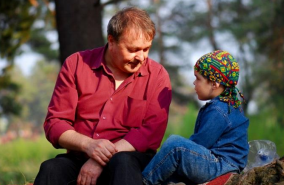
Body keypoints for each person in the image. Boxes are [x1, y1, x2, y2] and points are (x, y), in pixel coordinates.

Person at [34, 7, 172, 185]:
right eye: (133, 49)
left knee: (123, 163)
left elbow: (151, 132)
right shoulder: (75, 64)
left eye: (146, 49)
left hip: (131, 160)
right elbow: (55, 123)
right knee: (51, 169)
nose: (141, 57)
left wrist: (100, 158)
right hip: (80, 157)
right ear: (111, 41)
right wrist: (89, 145)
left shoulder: (158, 76)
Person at [142, 50, 249, 185]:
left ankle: (143, 181)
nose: (194, 83)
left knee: (175, 146)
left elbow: (199, 143)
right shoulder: (228, 106)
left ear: (214, 84)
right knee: (171, 166)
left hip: (221, 166)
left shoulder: (218, 110)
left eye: (198, 78)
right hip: (221, 164)